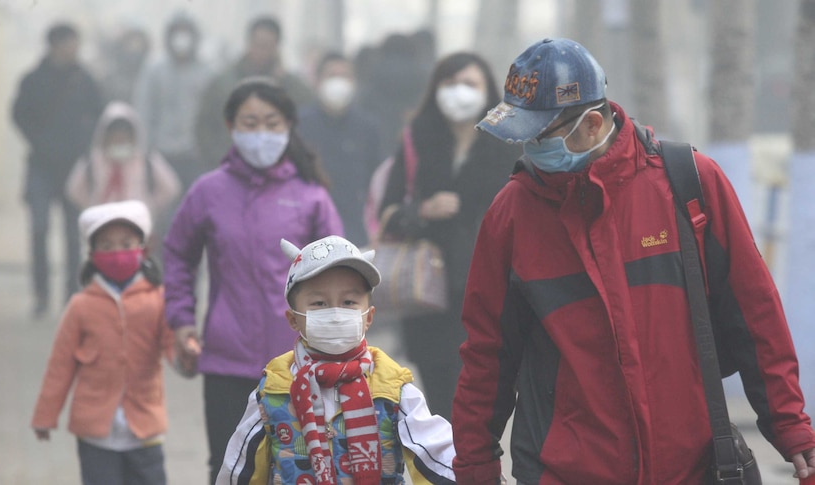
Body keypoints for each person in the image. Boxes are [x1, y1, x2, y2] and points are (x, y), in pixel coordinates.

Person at [452, 37, 815, 484]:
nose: (530, 151)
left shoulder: (690, 184)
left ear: (589, 124)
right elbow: (487, 355)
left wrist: (792, 430)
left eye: (538, 137)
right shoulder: (511, 215)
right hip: (565, 473)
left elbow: (756, 316)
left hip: (692, 468)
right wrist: (474, 466)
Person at [163, 78, 343, 484]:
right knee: (229, 468)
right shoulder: (208, 192)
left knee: (299, 467)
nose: (261, 132)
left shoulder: (311, 196)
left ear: (289, 127)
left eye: (271, 122)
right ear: (231, 127)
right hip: (227, 359)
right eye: (250, 123)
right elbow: (176, 254)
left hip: (301, 362)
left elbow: (340, 274)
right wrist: (181, 318)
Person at [215, 235, 456, 484]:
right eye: (319, 303)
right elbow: (240, 469)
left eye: (349, 302)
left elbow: (435, 456)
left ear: (369, 316)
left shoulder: (394, 389)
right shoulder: (273, 391)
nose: (335, 313)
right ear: (293, 319)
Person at [377, 52, 519, 421]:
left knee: (479, 398)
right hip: (429, 294)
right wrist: (423, 211)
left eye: (470, 84)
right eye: (451, 84)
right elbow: (387, 211)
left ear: (488, 90)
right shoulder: (417, 138)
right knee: (442, 400)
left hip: (489, 290)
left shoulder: (509, 143)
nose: (460, 93)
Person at [31, 200, 180, 485]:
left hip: (145, 429)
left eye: (126, 244)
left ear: (143, 249)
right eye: (107, 246)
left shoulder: (158, 300)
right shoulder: (80, 306)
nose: (117, 253)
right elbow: (60, 366)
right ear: (92, 255)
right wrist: (45, 416)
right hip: (96, 435)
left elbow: (172, 344)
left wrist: (188, 354)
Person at [12, 22, 104, 317]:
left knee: (72, 234)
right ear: (54, 45)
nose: (74, 49)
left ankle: (71, 294)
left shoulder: (86, 80)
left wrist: (84, 143)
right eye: (69, 43)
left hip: (74, 169)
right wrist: (39, 141)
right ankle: (40, 295)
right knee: (39, 230)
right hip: (40, 166)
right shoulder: (33, 79)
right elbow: (18, 114)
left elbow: (101, 114)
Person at [65, 101, 181, 259]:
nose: (119, 143)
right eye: (115, 140)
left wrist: (151, 206)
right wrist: (91, 206)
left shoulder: (146, 160)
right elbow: (73, 189)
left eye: (124, 140)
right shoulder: (92, 161)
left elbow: (171, 187)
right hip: (102, 229)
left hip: (136, 230)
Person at [195, 15, 314, 168]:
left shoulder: (291, 87)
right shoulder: (223, 84)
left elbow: (307, 123)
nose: (261, 51)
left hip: (278, 173)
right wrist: (219, 159)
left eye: (267, 45)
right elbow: (204, 126)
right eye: (257, 44)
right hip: (230, 169)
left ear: (277, 46)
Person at [297, 52, 382, 246]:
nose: (338, 82)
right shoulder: (300, 125)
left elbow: (375, 181)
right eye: (332, 76)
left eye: (345, 76)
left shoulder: (367, 127)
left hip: (356, 234)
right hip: (308, 235)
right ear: (317, 81)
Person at [133, 11, 213, 192]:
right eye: (177, 32)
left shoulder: (207, 72)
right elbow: (144, 110)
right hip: (162, 154)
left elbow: (212, 114)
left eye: (186, 32)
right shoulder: (154, 69)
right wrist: (146, 150)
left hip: (195, 155)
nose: (181, 38)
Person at [98, 25, 151, 104]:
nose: (134, 50)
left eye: (138, 46)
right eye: (131, 45)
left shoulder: (151, 77)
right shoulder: (111, 79)